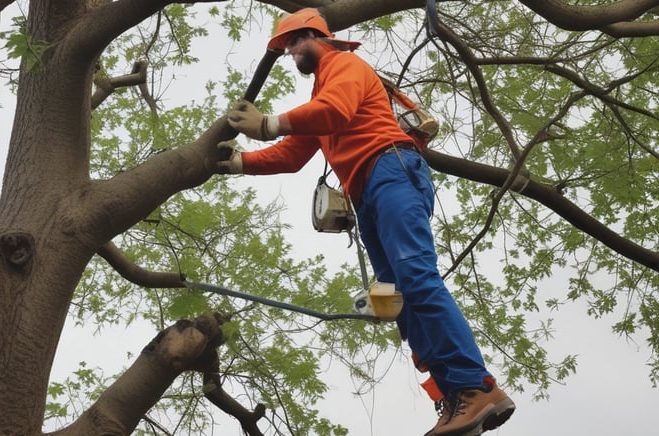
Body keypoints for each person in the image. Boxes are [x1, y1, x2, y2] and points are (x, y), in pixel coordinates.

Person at [216, 8, 515, 436]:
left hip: (390, 171)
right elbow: (291, 154)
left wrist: (268, 123)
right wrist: (237, 163)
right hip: (366, 195)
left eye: (291, 45)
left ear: (311, 35)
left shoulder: (345, 66)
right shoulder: (321, 96)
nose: (288, 55)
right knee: (399, 301)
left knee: (416, 277)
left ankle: (477, 385)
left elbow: (334, 111)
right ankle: (456, 399)